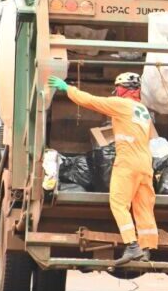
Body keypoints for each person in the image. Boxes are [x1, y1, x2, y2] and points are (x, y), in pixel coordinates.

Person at [48, 72, 158, 265]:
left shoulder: (121, 105)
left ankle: (132, 247)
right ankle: (146, 248)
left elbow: (92, 101)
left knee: (118, 203)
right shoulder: (143, 110)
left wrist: (68, 89)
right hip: (145, 163)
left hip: (128, 161)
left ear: (122, 88)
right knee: (143, 208)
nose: (115, 91)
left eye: (117, 87)